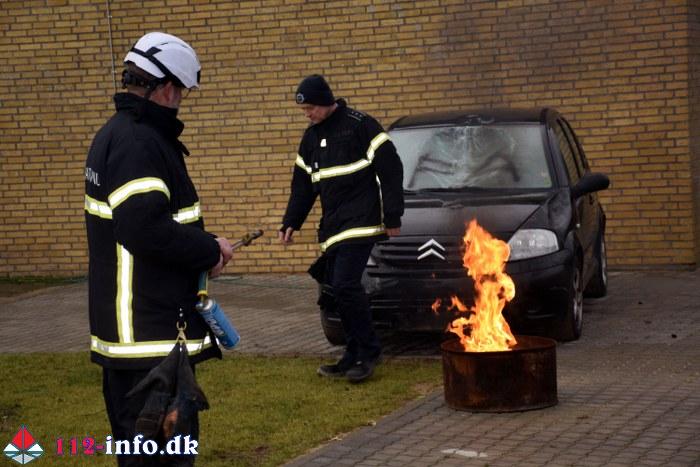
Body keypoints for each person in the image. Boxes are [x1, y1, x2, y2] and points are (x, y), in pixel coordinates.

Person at [84, 32, 232, 466]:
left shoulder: (118, 135)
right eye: (182, 92)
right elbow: (144, 228)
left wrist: (203, 249)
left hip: (138, 342)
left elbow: (153, 223)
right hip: (150, 344)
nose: (181, 101)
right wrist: (208, 250)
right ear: (166, 88)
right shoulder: (139, 142)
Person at [279, 74, 404, 383]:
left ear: (325, 101)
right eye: (304, 110)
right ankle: (352, 353)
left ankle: (368, 353)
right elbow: (302, 186)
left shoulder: (360, 125)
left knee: (346, 284)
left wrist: (392, 216)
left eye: (310, 108)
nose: (307, 115)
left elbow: (390, 168)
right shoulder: (311, 139)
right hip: (333, 227)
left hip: (361, 223)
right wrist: (291, 221)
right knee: (336, 289)